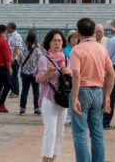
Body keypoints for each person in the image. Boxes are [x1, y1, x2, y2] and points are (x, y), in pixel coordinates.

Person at [70, 18, 115, 162]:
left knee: (80, 134)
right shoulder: (102, 49)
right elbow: (112, 73)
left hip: (82, 90)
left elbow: (76, 75)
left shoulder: (76, 50)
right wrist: (107, 95)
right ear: (93, 32)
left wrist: (75, 97)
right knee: (97, 133)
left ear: (77, 33)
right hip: (98, 92)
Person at [36, 29, 72, 162]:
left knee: (60, 132)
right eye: (54, 40)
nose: (57, 43)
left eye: (60, 40)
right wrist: (48, 73)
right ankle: (46, 159)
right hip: (49, 98)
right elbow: (40, 79)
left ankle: (54, 158)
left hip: (63, 98)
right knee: (50, 131)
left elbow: (74, 78)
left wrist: (70, 73)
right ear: (49, 43)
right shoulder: (44, 59)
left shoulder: (67, 59)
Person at [17, 31, 43, 116]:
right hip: (35, 74)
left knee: (24, 91)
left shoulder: (22, 49)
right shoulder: (38, 50)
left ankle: (22, 109)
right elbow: (41, 62)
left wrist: (23, 67)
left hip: (25, 73)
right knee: (36, 92)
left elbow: (19, 61)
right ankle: (37, 109)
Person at [0, 24, 12, 113]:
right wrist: (9, 67)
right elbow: (7, 56)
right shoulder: (3, 41)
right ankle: (1, 103)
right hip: (3, 66)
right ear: (3, 31)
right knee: (8, 85)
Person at [6, 22, 22, 98]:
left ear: (11, 28)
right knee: (10, 75)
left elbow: (16, 48)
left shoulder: (17, 36)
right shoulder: (10, 36)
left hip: (14, 59)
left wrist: (13, 57)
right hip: (10, 58)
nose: (7, 28)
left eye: (8, 27)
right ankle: (13, 91)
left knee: (14, 75)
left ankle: (15, 92)